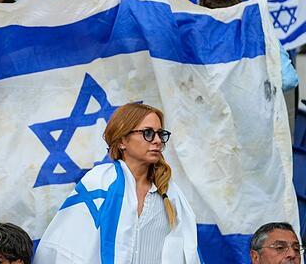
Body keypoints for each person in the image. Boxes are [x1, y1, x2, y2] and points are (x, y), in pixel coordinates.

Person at [34, 103, 200, 263]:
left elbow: (188, 254)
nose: (157, 140)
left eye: (160, 134)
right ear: (122, 140)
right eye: (148, 133)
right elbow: (67, 249)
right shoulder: (99, 183)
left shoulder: (170, 192)